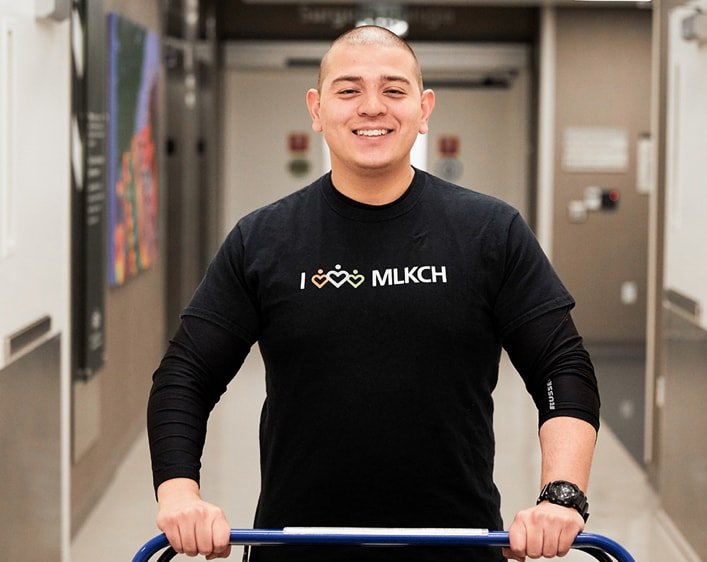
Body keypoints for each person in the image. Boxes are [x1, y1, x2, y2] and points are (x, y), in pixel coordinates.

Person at [147, 25, 600, 562]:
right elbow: (186, 375)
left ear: (424, 108)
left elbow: (560, 366)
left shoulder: (489, 231)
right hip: (297, 548)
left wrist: (562, 496)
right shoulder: (264, 238)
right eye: (348, 90)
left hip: (456, 546)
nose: (371, 107)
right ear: (316, 109)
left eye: (393, 89)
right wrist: (179, 491)